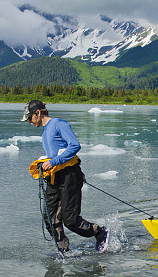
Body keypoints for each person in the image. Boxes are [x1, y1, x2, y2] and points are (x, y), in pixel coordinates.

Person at [22, 100, 108, 254]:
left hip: (69, 177)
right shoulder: (46, 129)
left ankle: (99, 232)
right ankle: (64, 250)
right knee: (49, 218)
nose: (29, 121)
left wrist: (62, 165)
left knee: (70, 220)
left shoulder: (59, 124)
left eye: (30, 117)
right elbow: (59, 151)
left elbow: (74, 145)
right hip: (55, 177)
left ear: (38, 113)